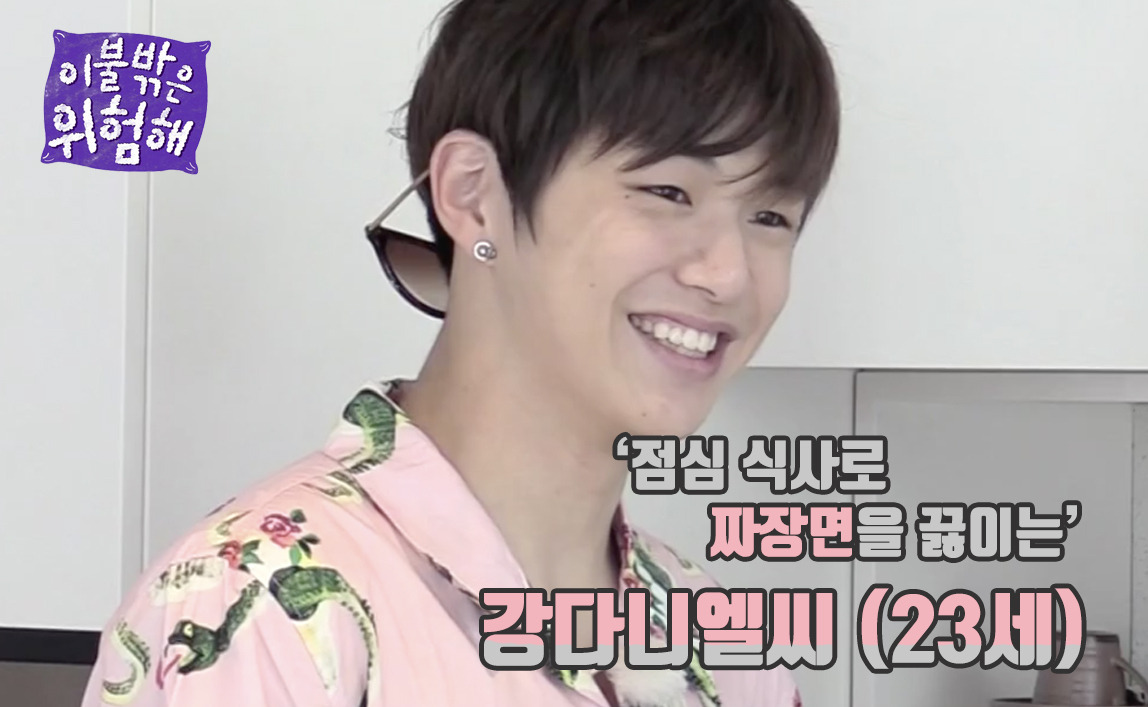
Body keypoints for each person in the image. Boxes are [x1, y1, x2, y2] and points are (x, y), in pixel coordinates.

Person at [80, 0, 839, 704]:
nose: (729, 275)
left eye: (772, 217)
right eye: (669, 193)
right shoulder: (262, 608)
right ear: (474, 194)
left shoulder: (729, 652)